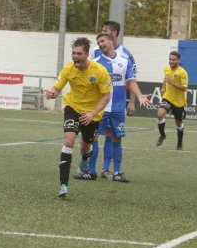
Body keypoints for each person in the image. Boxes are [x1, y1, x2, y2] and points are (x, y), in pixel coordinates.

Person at [74, 33, 150, 182]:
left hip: (117, 108)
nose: (100, 44)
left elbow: (131, 81)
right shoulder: (95, 63)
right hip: (100, 107)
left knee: (117, 138)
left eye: (102, 41)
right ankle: (90, 171)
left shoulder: (124, 61)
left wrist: (139, 96)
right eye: (98, 42)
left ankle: (117, 173)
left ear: (110, 42)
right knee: (93, 138)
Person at [45, 37, 112, 198]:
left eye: (79, 53)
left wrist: (92, 114)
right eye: (73, 53)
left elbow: (106, 97)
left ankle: (85, 158)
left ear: (87, 54)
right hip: (72, 108)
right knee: (68, 141)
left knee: (85, 146)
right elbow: (57, 87)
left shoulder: (99, 71)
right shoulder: (68, 69)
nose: (75, 56)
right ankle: (63, 185)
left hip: (92, 113)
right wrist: (53, 93)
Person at [88, 20, 139, 179]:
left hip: (117, 104)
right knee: (95, 135)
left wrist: (131, 101)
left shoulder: (126, 54)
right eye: (102, 31)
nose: (102, 33)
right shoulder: (96, 52)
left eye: (106, 31)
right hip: (100, 104)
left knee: (113, 135)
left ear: (114, 34)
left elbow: (131, 79)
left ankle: (107, 169)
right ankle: (91, 169)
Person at [156, 51, 189, 150]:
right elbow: (166, 79)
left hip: (179, 102)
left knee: (178, 123)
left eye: (174, 59)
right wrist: (163, 88)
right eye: (170, 59)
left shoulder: (182, 72)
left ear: (178, 60)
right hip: (168, 97)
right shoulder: (166, 69)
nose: (171, 61)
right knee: (160, 114)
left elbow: (184, 88)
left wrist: (172, 82)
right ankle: (162, 135)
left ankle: (179, 142)